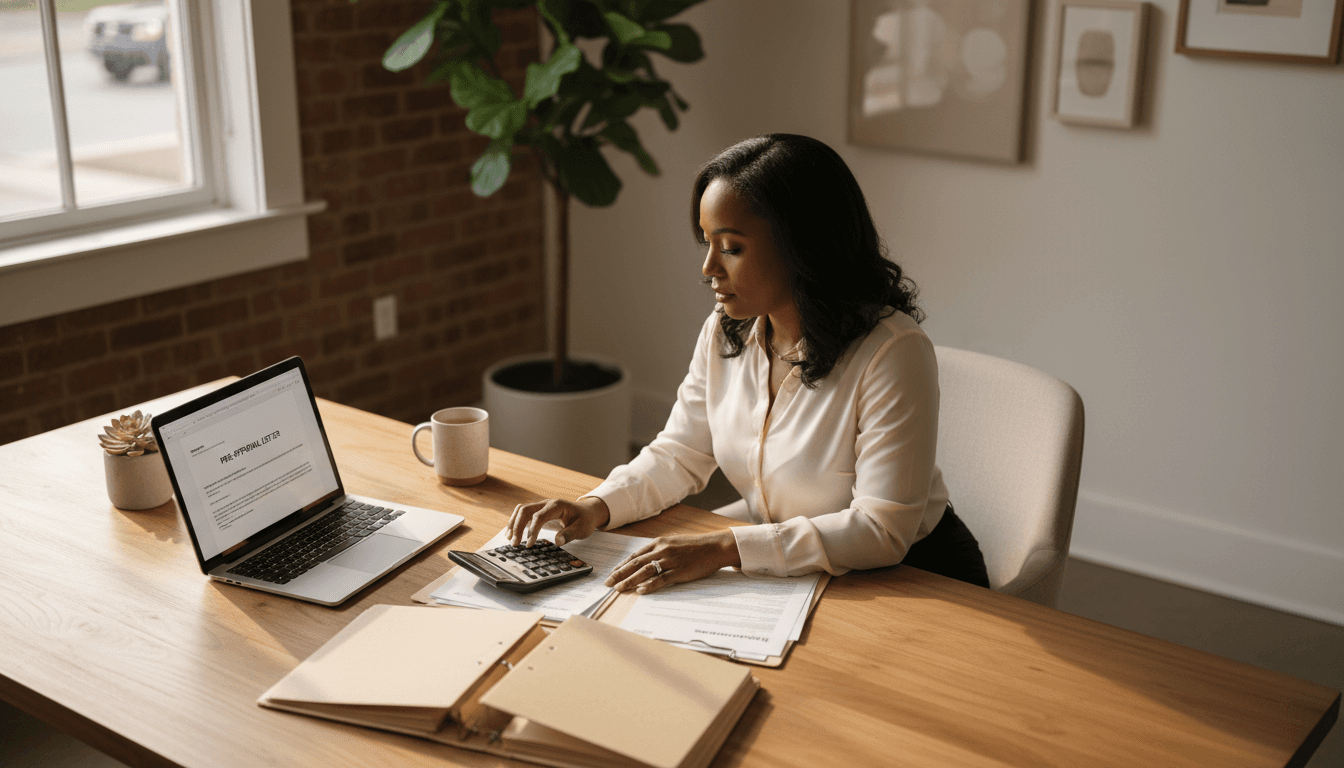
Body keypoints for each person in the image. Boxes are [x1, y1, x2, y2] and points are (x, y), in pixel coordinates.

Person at [508, 134, 989, 594]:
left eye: (732, 247)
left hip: (913, 578)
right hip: (795, 571)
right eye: (707, 244)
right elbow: (680, 452)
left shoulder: (893, 351)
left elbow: (880, 530)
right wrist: (595, 506)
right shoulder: (727, 329)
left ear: (803, 245)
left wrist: (726, 547)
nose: (708, 268)